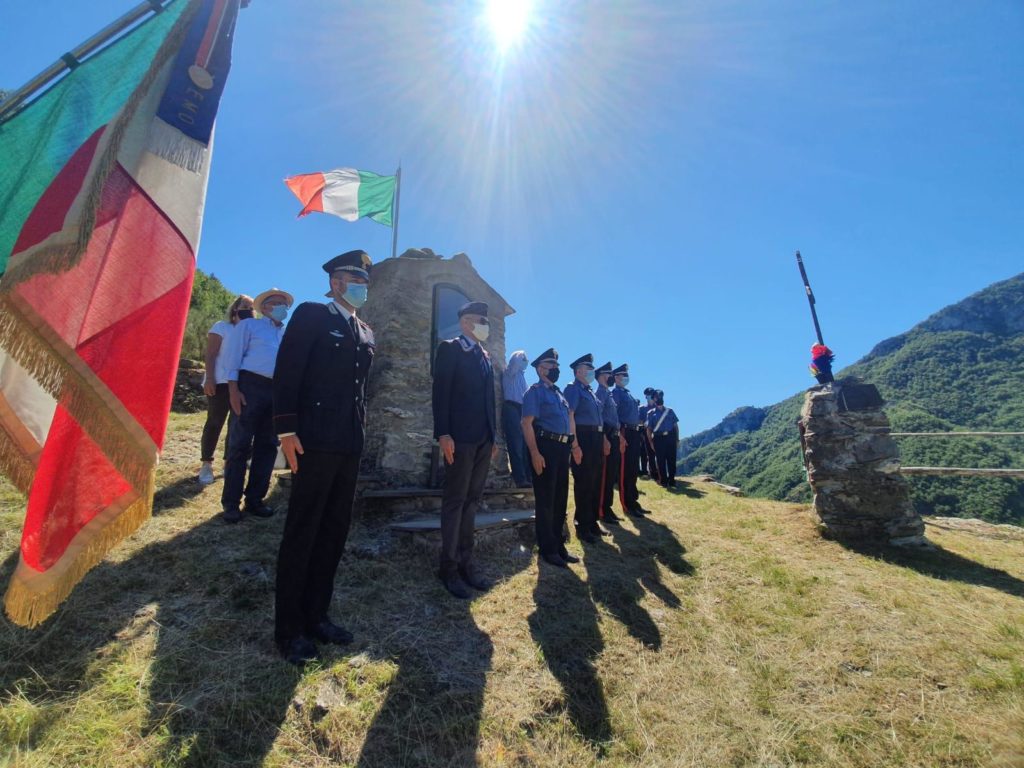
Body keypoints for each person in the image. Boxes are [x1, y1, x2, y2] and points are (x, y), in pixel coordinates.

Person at [272, 249, 374, 665]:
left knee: (334, 532)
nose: (362, 287)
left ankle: (317, 615)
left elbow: (360, 391)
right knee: (303, 531)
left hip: (349, 442)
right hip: (312, 440)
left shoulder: (365, 331)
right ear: (336, 282)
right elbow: (288, 371)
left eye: (365, 281)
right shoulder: (313, 315)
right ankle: (289, 629)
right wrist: (286, 430)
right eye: (355, 280)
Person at [432, 300, 498, 599]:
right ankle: (448, 568)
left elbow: (489, 401)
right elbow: (441, 392)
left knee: (472, 501)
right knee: (455, 500)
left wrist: (493, 437)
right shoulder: (451, 349)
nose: (485, 325)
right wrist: (443, 433)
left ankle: (466, 562)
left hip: (483, 439)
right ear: (465, 323)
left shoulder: (485, 355)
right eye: (480, 320)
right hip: (459, 437)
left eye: (486, 320)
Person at [219, 287, 292, 523]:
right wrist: (233, 389)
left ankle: (255, 500)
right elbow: (233, 357)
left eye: (284, 304)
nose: (282, 307)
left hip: (277, 390)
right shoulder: (249, 326)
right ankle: (231, 503)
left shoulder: (288, 334)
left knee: (268, 445)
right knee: (239, 444)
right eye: (276, 303)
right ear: (264, 307)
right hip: (250, 386)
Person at [522, 348, 582, 568]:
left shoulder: (559, 394)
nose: (556, 369)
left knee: (560, 499)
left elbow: (569, 421)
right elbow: (526, 423)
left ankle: (559, 545)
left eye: (557, 365)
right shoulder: (534, 392)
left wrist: (574, 446)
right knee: (546, 500)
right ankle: (547, 549)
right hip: (545, 447)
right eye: (552, 365)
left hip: (562, 448)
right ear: (540, 369)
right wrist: (534, 453)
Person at [198, 294, 253, 485]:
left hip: (239, 384)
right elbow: (211, 354)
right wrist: (210, 378)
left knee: (235, 424)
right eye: (244, 306)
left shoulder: (249, 332)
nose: (248, 310)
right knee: (215, 421)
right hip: (220, 381)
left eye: (251, 308)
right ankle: (206, 464)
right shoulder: (222, 327)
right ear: (235, 308)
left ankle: (228, 462)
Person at [563, 353, 608, 543]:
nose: (591, 371)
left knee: (595, 481)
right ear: (578, 371)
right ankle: (582, 525)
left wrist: (604, 439)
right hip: (583, 437)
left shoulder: (590, 391)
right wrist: (575, 445)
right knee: (584, 482)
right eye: (588, 369)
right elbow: (569, 416)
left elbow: (599, 419)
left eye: (592, 368)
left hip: (596, 437)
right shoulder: (573, 389)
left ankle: (592, 522)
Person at [611, 363, 645, 516]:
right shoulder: (616, 393)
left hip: (634, 431)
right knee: (625, 469)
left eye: (627, 375)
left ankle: (634, 502)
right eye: (623, 375)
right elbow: (615, 415)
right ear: (616, 377)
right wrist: (620, 435)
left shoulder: (627, 393)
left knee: (633, 469)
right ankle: (628, 505)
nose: (626, 377)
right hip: (625, 431)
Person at [595, 361, 624, 525]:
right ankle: (602, 510)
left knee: (611, 474)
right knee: (605, 475)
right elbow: (598, 416)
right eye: (609, 374)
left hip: (614, 435)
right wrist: (604, 438)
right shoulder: (600, 392)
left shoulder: (608, 393)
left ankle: (608, 507)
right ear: (601, 376)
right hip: (606, 434)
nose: (612, 377)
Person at [501, 350, 531, 487]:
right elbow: (516, 360)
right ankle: (519, 478)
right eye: (524, 360)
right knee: (516, 444)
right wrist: (521, 353)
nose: (526, 362)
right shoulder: (510, 372)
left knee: (524, 445)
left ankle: (527, 477)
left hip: (522, 410)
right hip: (511, 407)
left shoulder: (521, 377)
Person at [646, 389, 680, 488]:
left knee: (672, 459)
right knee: (660, 460)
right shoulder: (651, 413)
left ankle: (672, 480)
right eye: (657, 397)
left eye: (661, 396)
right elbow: (649, 429)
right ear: (654, 399)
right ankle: (663, 481)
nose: (659, 398)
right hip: (658, 438)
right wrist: (651, 442)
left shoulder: (670, 411)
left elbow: (675, 426)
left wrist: (677, 439)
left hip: (670, 437)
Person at [638, 387, 654, 477]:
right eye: (648, 395)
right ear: (646, 396)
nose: (650, 396)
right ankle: (644, 470)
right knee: (644, 452)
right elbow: (639, 421)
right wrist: (645, 423)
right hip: (644, 432)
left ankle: (654, 471)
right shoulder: (642, 408)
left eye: (651, 395)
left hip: (656, 433)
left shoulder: (658, 407)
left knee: (656, 453)